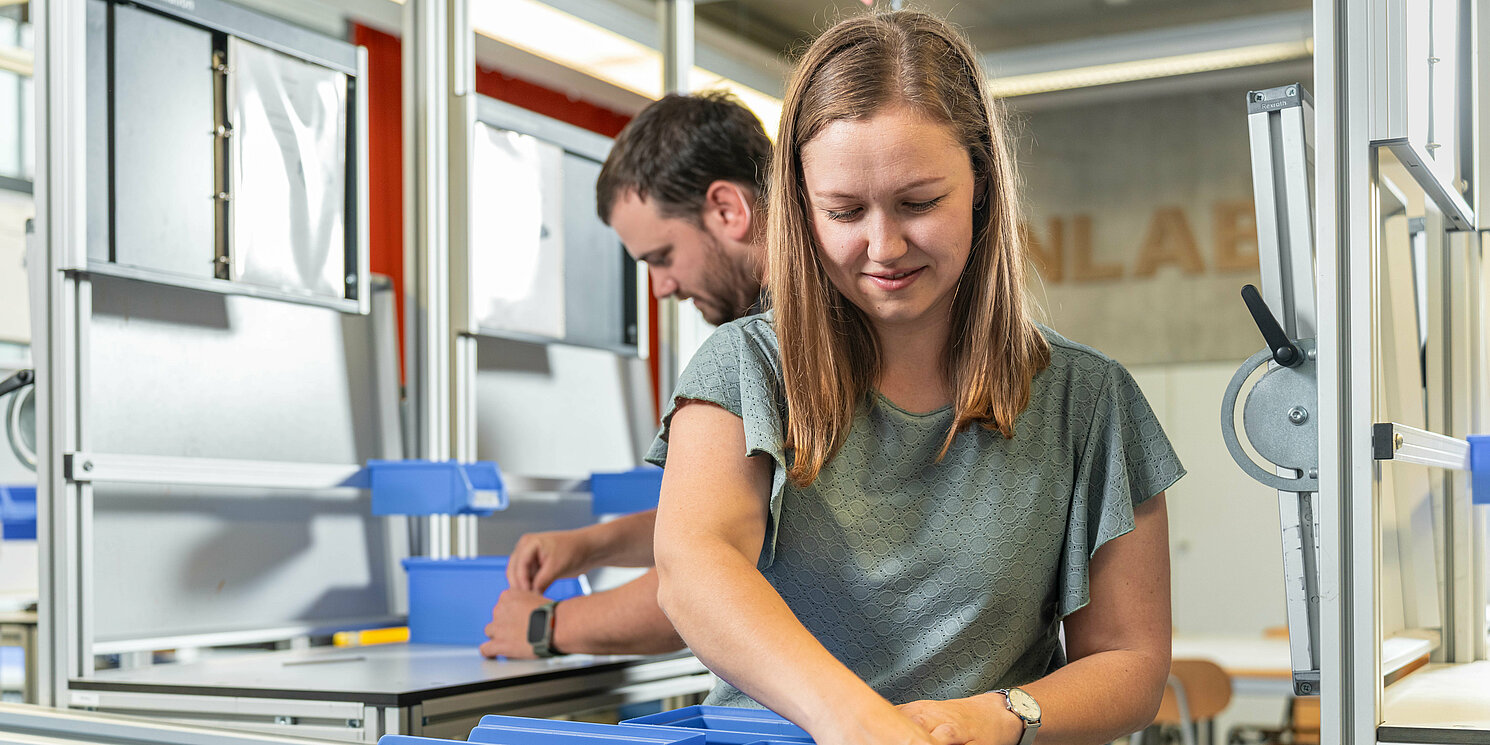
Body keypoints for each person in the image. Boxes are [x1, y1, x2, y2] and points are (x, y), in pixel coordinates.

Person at [648, 10, 1183, 745]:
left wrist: (994, 719)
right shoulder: (744, 368)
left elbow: (1129, 660)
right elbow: (695, 566)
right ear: (802, 209)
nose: (884, 245)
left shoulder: (1087, 400)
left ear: (983, 188)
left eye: (919, 203)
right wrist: (857, 721)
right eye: (843, 211)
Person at [479, 91, 772, 660]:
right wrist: (590, 547)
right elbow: (736, 515)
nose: (662, 287)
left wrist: (549, 626)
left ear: (728, 210)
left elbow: (708, 579)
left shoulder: (764, 350)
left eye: (662, 256)